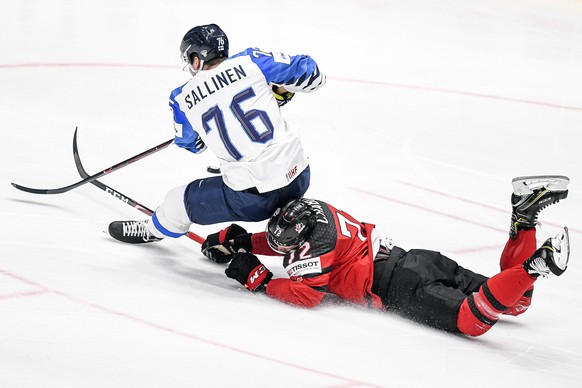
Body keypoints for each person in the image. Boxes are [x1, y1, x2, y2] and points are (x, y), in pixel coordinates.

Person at [201, 176, 570, 337]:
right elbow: (286, 240)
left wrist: (260, 280)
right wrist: (245, 242)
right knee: (516, 301)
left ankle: (538, 264)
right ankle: (524, 217)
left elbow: (306, 295)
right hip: (416, 259)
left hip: (401, 287)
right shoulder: (319, 214)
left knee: (472, 321)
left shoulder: (316, 249)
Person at [108, 23, 326, 243]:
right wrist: (279, 92)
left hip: (252, 200)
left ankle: (154, 230)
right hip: (299, 178)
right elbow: (312, 74)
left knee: (176, 201)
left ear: (196, 59)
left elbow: (193, 145)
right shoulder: (251, 61)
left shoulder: (181, 98)